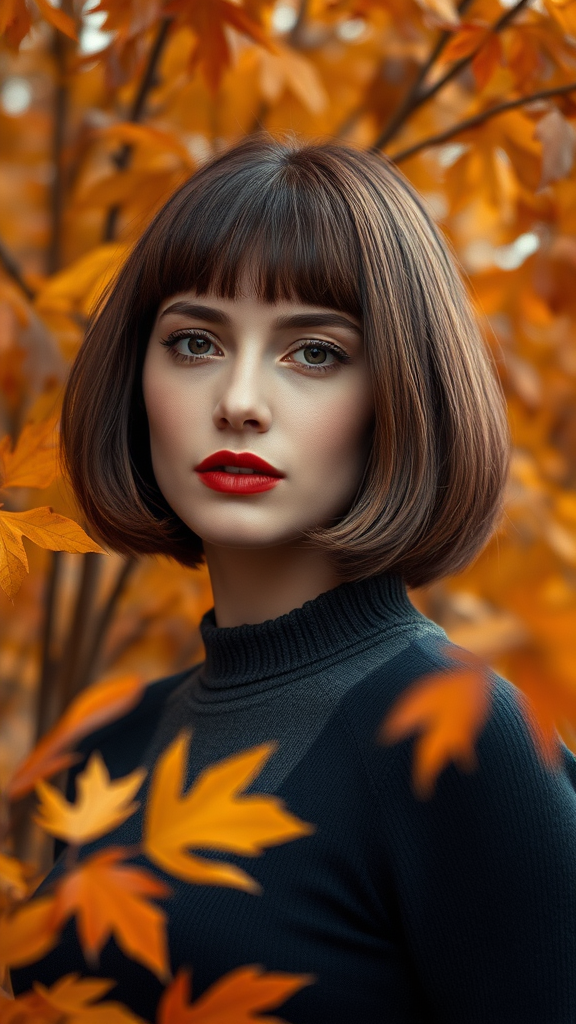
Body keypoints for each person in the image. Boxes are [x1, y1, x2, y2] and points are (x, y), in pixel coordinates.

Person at [11, 136, 576, 1023]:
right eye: (194, 341)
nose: (238, 399)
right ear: (137, 375)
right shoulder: (107, 742)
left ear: (401, 390)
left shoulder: (462, 744)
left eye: (314, 352)